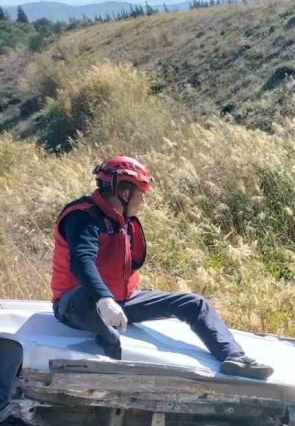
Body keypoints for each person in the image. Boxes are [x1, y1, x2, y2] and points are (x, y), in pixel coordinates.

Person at [51, 155, 273, 380]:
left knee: (194, 303)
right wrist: (104, 300)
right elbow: (81, 260)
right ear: (124, 193)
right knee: (87, 299)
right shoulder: (82, 217)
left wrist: (111, 302)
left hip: (118, 302)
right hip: (76, 305)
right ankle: (108, 337)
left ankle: (235, 358)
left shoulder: (122, 219)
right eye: (141, 194)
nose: (142, 201)